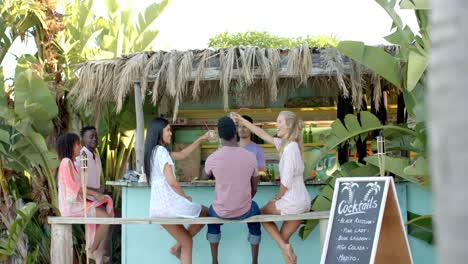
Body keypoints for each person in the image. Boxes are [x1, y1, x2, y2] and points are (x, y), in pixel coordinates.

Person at [234, 111, 311, 264]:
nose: (276, 125)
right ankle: (288, 253)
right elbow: (262, 133)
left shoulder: (289, 149)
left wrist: (276, 198)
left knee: (261, 213)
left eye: (279, 122)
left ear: (288, 125)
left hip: (292, 200)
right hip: (303, 201)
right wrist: (243, 119)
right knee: (283, 240)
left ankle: (284, 247)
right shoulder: (287, 145)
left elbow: (286, 182)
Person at [145, 117, 210, 264]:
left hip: (158, 208)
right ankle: (176, 247)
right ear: (158, 132)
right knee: (206, 212)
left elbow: (182, 155)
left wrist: (200, 139)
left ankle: (176, 248)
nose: (170, 133)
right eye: (168, 130)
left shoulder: (154, 152)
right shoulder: (161, 151)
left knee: (186, 241)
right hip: (168, 205)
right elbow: (172, 182)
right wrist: (184, 197)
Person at [204, 116, 261, 264]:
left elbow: (204, 176)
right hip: (245, 210)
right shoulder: (251, 156)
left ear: (220, 136)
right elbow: (255, 186)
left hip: (221, 211)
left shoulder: (213, 158)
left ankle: (214, 260)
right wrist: (247, 198)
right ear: (235, 133)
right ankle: (254, 260)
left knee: (211, 217)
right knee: (256, 213)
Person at [56, 133, 114, 264]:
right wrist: (94, 194)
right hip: (71, 208)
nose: (80, 147)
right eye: (77, 144)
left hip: (75, 205)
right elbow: (74, 188)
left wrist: (97, 196)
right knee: (105, 218)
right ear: (70, 146)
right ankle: (92, 250)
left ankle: (96, 250)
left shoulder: (70, 163)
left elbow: (78, 187)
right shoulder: (66, 162)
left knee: (106, 208)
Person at [75, 126, 102, 197]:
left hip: (97, 198)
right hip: (84, 200)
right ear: (83, 139)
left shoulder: (97, 157)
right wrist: (96, 190)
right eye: (91, 137)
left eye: (96, 136)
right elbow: (76, 185)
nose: (95, 139)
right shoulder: (80, 157)